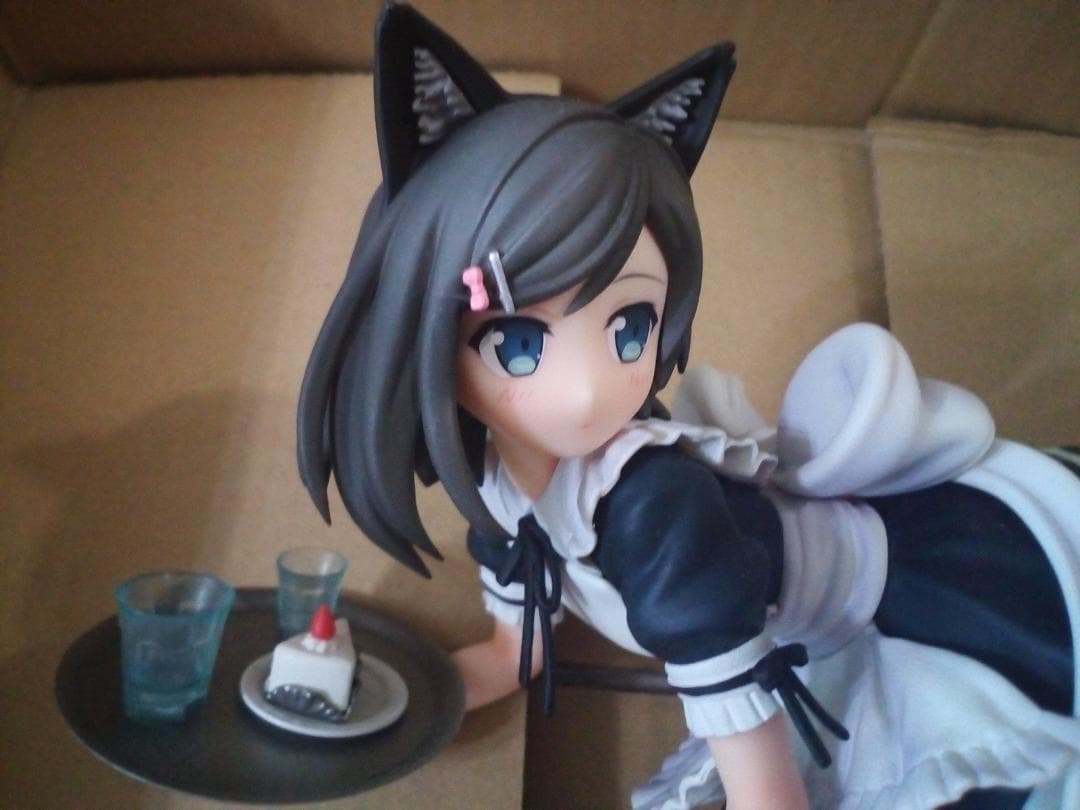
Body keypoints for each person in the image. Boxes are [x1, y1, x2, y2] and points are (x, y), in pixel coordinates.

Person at [298, 5, 1080, 808]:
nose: (588, 389)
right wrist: (389, 698)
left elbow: (769, 791)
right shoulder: (496, 487)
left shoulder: (652, 509)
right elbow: (513, 653)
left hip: (925, 609)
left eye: (629, 329)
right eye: (518, 344)